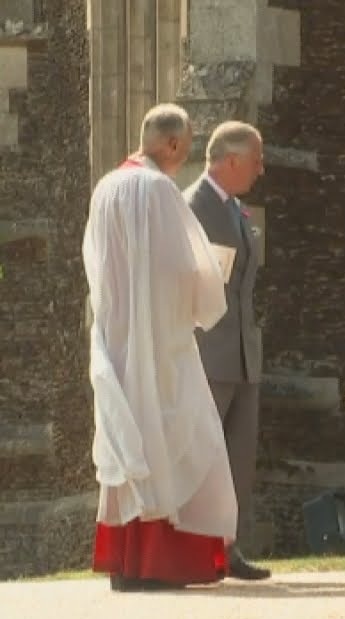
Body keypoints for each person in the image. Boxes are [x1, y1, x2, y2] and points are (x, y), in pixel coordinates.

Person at [85, 103, 239, 592]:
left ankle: (128, 562)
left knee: (128, 437)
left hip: (118, 336)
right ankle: (163, 561)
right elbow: (181, 266)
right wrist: (208, 285)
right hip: (160, 341)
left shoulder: (106, 186)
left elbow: (96, 262)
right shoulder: (158, 189)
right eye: (188, 144)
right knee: (178, 439)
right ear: (172, 145)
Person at [184, 121, 271, 581]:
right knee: (201, 454)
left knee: (238, 457)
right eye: (255, 159)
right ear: (231, 160)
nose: (261, 168)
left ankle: (227, 549)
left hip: (241, 353)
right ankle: (193, 551)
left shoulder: (236, 208)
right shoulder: (191, 206)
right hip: (207, 352)